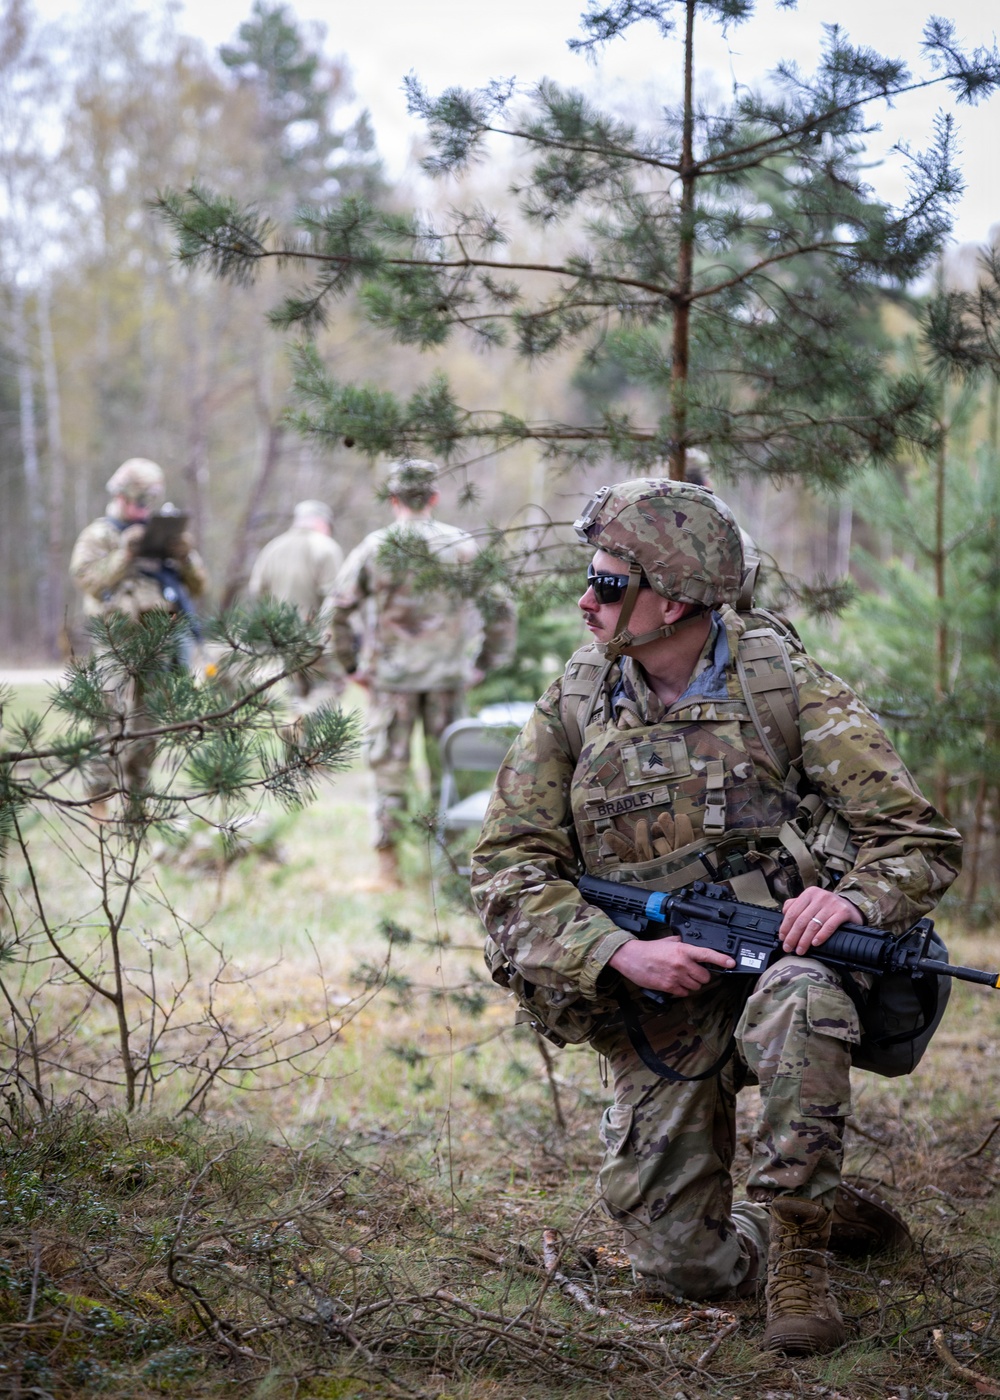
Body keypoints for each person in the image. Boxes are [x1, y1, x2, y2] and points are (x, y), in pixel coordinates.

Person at [471, 479, 961, 1355]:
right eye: (592, 579)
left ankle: (801, 1248)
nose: (587, 600)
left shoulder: (781, 682)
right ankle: (796, 1212)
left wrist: (847, 900)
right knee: (681, 1272)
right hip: (660, 991)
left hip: (781, 964)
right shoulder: (580, 695)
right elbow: (506, 866)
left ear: (679, 596)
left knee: (804, 996)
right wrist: (618, 952)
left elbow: (917, 841)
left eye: (610, 584)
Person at [327, 459, 517, 888]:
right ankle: (447, 868)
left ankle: (388, 869)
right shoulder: (461, 546)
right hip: (448, 680)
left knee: (389, 771)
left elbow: (336, 610)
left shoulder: (375, 546)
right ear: (434, 497)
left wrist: (351, 665)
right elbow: (501, 608)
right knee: (448, 772)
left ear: (393, 500)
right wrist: (482, 663)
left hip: (391, 681)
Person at [70, 457, 208, 809]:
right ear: (121, 495)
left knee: (149, 725)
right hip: (117, 640)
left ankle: (137, 803)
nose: (143, 509)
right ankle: (98, 803)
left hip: (157, 640)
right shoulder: (101, 534)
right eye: (138, 500)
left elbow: (198, 586)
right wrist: (125, 553)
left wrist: (185, 555)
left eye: (149, 501)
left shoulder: (161, 534)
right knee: (110, 719)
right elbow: (88, 579)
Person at [247, 499, 345, 700]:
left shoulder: (272, 548)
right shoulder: (326, 547)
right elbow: (336, 598)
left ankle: (295, 726)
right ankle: (310, 725)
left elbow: (256, 591)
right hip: (317, 639)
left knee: (297, 693)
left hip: (284, 638)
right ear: (321, 522)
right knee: (328, 689)